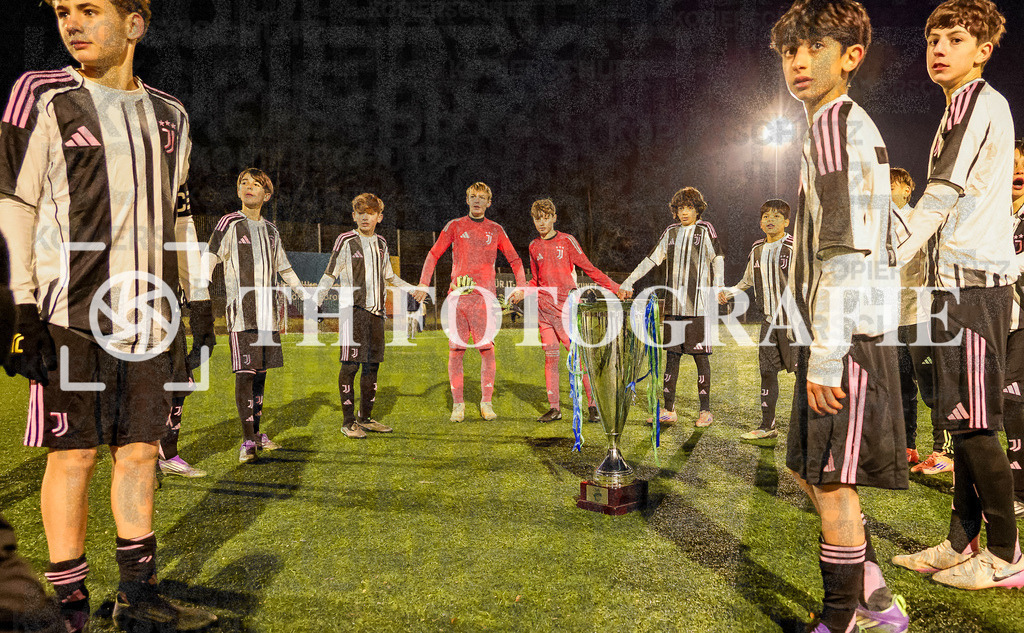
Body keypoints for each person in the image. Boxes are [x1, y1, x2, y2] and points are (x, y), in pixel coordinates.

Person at [0, 1, 217, 630]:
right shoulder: (39, 95)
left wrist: (196, 298)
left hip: (149, 318)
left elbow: (180, 216)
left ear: (134, 23)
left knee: (141, 452)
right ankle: (69, 604)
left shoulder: (171, 115)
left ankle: (136, 596)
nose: (71, 22)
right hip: (68, 315)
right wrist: (17, 304)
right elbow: (13, 200)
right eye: (63, 10)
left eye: (88, 9)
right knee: (74, 457)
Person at [771, 1, 910, 631]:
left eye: (815, 47)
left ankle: (843, 618)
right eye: (789, 51)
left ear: (851, 57)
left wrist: (825, 357)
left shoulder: (835, 126)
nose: (799, 61)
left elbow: (847, 254)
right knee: (809, 471)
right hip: (837, 330)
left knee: (830, 484)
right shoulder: (833, 124)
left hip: (844, 338)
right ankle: (874, 593)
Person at [890, 0, 1024, 590]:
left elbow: (940, 196)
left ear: (983, 49)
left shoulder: (978, 103)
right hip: (954, 287)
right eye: (932, 39)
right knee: (962, 419)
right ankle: (958, 540)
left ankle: (1005, 554)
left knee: (973, 423)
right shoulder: (957, 107)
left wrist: (885, 259)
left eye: (955, 38)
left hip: (971, 289)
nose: (939, 49)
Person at [207, 168, 306, 462]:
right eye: (244, 183)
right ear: (238, 191)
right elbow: (211, 256)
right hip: (242, 316)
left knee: (261, 375)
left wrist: (304, 295)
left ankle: (258, 433)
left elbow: (284, 268)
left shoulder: (272, 231)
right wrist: (201, 290)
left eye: (256, 184)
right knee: (246, 374)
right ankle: (247, 441)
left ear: (267, 194)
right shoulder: (229, 223)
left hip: (269, 317)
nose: (249, 187)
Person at [413, 182, 526, 422]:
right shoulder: (455, 226)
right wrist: (424, 283)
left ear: (489, 202)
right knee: (456, 351)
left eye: (482, 197)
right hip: (458, 299)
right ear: (467, 200)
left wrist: (521, 286)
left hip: (484, 301)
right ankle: (458, 405)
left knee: (487, 350)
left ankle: (486, 403)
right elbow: (433, 254)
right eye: (473, 196)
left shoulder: (495, 229)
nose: (477, 201)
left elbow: (515, 260)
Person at [618, 187, 722, 429]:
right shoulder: (670, 232)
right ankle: (669, 409)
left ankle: (705, 411)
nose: (685, 212)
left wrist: (717, 287)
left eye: (690, 208)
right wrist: (629, 280)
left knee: (700, 358)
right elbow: (652, 259)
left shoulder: (705, 230)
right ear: (675, 211)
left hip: (698, 307)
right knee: (672, 358)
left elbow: (717, 258)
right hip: (673, 307)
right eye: (681, 208)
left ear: (698, 210)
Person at [315, 193, 415, 438]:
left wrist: (413, 289)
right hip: (353, 313)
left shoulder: (381, 244)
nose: (364, 217)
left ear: (379, 217)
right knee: (350, 365)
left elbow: (389, 277)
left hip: (376, 314)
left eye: (370, 213)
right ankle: (348, 422)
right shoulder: (346, 240)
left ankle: (366, 418)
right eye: (360, 213)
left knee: (372, 366)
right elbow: (330, 273)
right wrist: (315, 302)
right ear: (354, 216)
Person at [515, 198, 619, 423]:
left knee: (577, 358)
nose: (541, 223)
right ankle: (555, 408)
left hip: (566, 310)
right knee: (550, 358)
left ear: (554, 217)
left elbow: (589, 269)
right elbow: (536, 280)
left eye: (545, 218)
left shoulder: (567, 241)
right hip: (544, 312)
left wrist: (615, 287)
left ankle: (592, 405)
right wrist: (521, 291)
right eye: (537, 219)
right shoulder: (534, 246)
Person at [890, 167, 953, 475]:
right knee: (901, 385)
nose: (886, 190)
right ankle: (907, 446)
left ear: (907, 190)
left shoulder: (921, 222)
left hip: (922, 313)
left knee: (931, 385)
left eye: (893, 184)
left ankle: (944, 450)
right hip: (892, 317)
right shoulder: (878, 226)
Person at [717, 199, 795, 441]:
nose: (770, 220)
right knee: (767, 372)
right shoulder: (757, 250)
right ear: (761, 222)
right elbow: (747, 280)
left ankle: (808, 427)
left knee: (804, 375)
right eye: (765, 216)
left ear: (786, 222)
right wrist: (729, 292)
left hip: (796, 323)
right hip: (769, 321)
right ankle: (767, 425)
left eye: (776, 216)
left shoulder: (795, 247)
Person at [1007, 139, 1024, 518]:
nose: (1017, 170)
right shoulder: (994, 215)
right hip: (996, 323)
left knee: (1014, 403)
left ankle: (1019, 488)